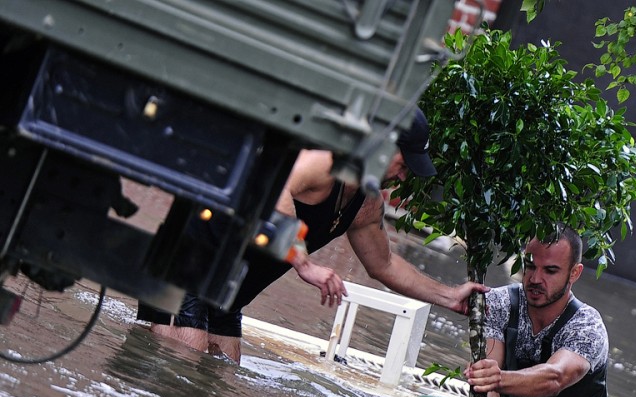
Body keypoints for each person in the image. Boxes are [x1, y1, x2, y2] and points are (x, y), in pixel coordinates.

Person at [138, 107, 488, 362]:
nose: (401, 177)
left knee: (220, 385)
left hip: (226, 298)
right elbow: (278, 189)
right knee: (175, 384)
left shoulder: (365, 204)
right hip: (183, 273)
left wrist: (450, 296)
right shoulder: (325, 162)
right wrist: (305, 265)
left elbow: (385, 264)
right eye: (402, 163)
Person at [463, 225, 610, 397]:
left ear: (574, 273)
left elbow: (555, 377)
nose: (534, 279)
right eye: (530, 266)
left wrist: (497, 379)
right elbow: (490, 385)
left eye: (550, 270)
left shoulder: (587, 326)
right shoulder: (498, 303)